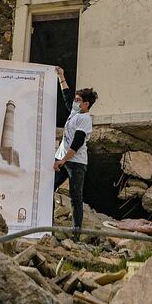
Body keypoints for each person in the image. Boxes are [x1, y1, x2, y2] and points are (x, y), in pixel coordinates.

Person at [53, 66, 97, 234]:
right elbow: (66, 97)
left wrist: (63, 160)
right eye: (76, 100)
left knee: (75, 198)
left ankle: (76, 233)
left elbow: (77, 143)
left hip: (76, 162)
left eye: (79, 100)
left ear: (86, 104)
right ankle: (47, 224)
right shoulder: (75, 112)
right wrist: (61, 76)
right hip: (62, 158)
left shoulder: (85, 119)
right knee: (50, 188)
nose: (75, 102)